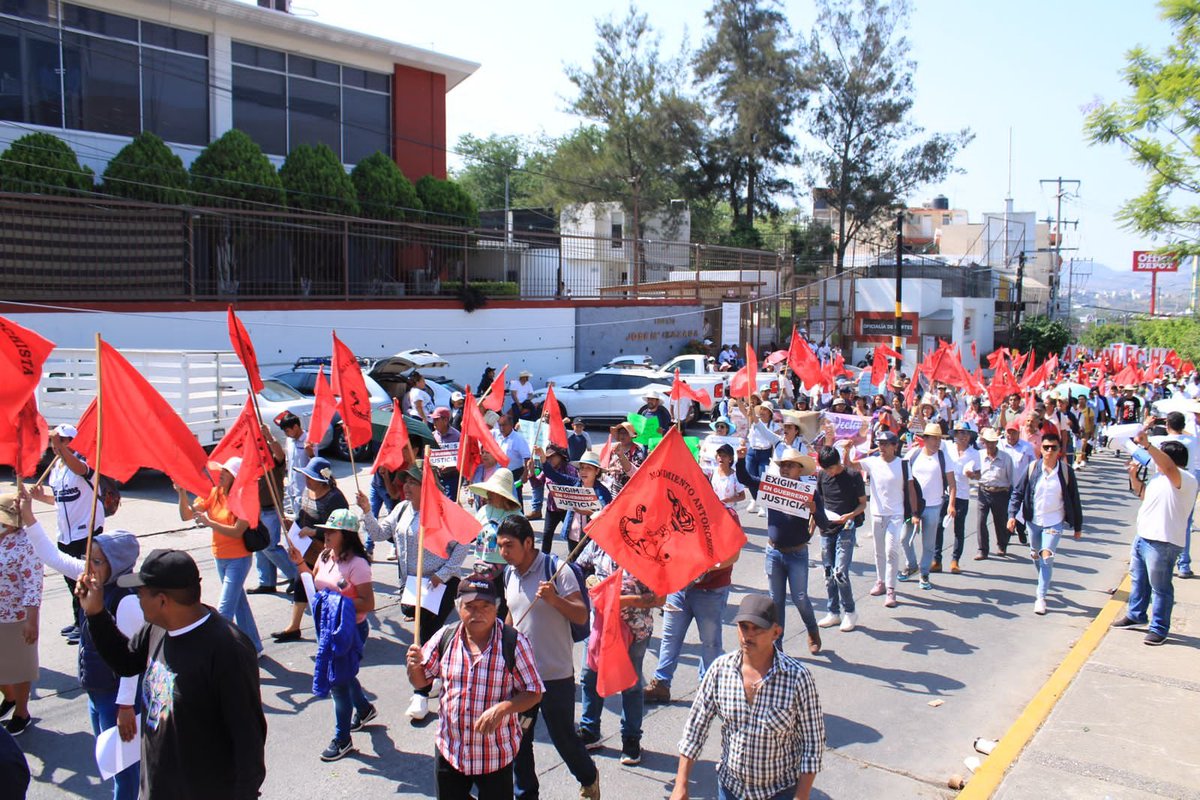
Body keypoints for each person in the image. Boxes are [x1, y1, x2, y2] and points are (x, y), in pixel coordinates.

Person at [77, 549, 267, 799]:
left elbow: (248, 740)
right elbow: (126, 663)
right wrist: (95, 613)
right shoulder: (157, 628)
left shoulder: (228, 650)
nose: (137, 599)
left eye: (141, 593)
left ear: (162, 601)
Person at [19, 491, 142, 797]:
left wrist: (126, 707)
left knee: (122, 768)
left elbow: (131, 664)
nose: (88, 566)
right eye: (88, 558)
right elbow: (52, 556)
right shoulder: (93, 578)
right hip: (96, 690)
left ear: (116, 565)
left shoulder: (127, 601)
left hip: (116, 698)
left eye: (97, 561)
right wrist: (29, 517)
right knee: (109, 759)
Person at [671, 594, 824, 800]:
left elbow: (813, 742)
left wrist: (802, 795)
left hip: (780, 791)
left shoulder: (797, 677)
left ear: (776, 632)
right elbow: (695, 728)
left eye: (757, 629)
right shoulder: (720, 670)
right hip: (730, 789)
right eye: (743, 627)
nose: (748, 636)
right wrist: (680, 784)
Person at [406, 576, 543, 799]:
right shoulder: (445, 637)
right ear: (458, 608)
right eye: (470, 606)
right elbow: (421, 682)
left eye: (485, 606)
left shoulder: (514, 643)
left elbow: (534, 692)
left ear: (496, 608)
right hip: (450, 751)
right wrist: (413, 666)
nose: (478, 613)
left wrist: (502, 709)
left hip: (494, 755)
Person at [496, 517, 599, 800]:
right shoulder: (508, 574)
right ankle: (526, 794)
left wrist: (554, 600)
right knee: (519, 740)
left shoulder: (557, 570)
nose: (503, 552)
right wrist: (501, 646)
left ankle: (588, 777)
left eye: (509, 545)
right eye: (500, 545)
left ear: (528, 542)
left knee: (563, 738)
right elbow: (512, 613)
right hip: (520, 676)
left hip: (555, 675)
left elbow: (581, 615)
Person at [359, 465, 467, 722]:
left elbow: (462, 545)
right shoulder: (401, 509)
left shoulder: (442, 511)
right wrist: (366, 511)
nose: (405, 487)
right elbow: (380, 534)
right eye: (404, 482)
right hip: (411, 585)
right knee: (429, 636)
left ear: (425, 486)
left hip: (439, 584)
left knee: (424, 637)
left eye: (412, 483)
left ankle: (421, 692)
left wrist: (443, 573)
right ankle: (440, 674)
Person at [289, 508, 377, 761]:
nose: (325, 535)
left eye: (331, 531)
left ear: (346, 535)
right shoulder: (325, 556)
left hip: (349, 630)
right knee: (345, 676)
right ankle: (364, 709)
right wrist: (300, 563)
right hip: (326, 627)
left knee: (337, 683)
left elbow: (368, 603)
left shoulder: (358, 565)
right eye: (325, 530)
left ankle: (342, 739)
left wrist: (337, 604)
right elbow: (315, 583)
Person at [644, 487, 739, 705]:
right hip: (679, 587)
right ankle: (661, 683)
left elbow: (733, 554)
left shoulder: (726, 515)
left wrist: (704, 568)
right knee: (670, 636)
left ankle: (708, 688)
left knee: (710, 642)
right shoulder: (678, 511)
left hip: (711, 590)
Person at [576, 534, 662, 766]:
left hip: (634, 630)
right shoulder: (599, 542)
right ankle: (590, 730)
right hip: (600, 626)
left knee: (631, 685)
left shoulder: (648, 549)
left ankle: (631, 740)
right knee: (590, 676)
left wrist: (623, 600)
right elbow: (581, 568)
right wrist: (590, 581)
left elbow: (660, 598)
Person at [1114, 431, 1198, 645]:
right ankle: (1136, 614)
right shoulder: (1159, 478)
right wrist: (1133, 477)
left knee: (1160, 588)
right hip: (1144, 537)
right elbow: (1144, 495)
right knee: (1139, 580)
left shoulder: (1185, 479)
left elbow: (1169, 467)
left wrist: (1148, 446)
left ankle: (1159, 628)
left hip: (1163, 542)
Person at [176, 458, 262, 655]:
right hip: (219, 556)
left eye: (226, 472)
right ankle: (255, 647)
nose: (220, 474)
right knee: (239, 603)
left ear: (235, 477)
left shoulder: (244, 498)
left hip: (239, 559)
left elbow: (237, 531)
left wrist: (209, 523)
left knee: (224, 610)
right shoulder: (215, 493)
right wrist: (181, 493)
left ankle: (216, 654)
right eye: (221, 470)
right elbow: (186, 515)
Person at [30, 424, 103, 645]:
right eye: (56, 440)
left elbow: (81, 470)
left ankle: (87, 625)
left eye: (62, 440)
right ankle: (78, 620)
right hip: (65, 534)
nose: (56, 444)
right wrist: (40, 498)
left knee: (84, 580)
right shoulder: (57, 468)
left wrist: (61, 449)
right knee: (71, 582)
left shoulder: (85, 462)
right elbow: (60, 500)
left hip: (85, 533)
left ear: (73, 442)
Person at [273, 456, 349, 642]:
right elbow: (303, 516)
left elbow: (342, 528)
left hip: (328, 553)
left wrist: (314, 531)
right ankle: (294, 626)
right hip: (307, 550)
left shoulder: (335, 498)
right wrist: (293, 525)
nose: (306, 480)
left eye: (310, 477)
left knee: (328, 590)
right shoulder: (308, 493)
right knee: (301, 583)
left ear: (321, 480)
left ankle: (337, 628)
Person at [1008, 432, 1083, 615]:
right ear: (1040, 449)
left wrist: (1078, 526)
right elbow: (1018, 492)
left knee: (1047, 557)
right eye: (1046, 447)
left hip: (1054, 522)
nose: (1049, 451)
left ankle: (1040, 597)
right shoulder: (1032, 468)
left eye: (1053, 448)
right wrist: (1012, 515)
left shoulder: (1065, 472)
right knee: (1036, 555)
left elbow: (1075, 499)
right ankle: (1043, 577)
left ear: (1059, 450)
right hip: (1034, 520)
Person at [762, 448, 822, 655]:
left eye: (790, 465)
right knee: (776, 601)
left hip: (796, 554)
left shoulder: (809, 492)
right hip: (774, 552)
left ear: (800, 470)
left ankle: (812, 630)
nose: (785, 469)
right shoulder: (772, 488)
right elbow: (746, 479)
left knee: (800, 597)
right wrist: (742, 460)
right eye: (783, 465)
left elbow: (824, 523)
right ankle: (777, 646)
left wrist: (814, 510)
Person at [0, 494, 42, 737]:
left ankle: (21, 712)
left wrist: (31, 620)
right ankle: (9, 697)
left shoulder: (26, 544)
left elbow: (33, 585)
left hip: (16, 617)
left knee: (18, 667)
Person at [813, 446, 866, 633]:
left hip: (846, 527)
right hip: (827, 527)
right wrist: (813, 523)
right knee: (828, 573)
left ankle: (850, 611)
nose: (829, 472)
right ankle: (833, 611)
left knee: (840, 572)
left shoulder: (853, 476)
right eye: (826, 469)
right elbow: (818, 501)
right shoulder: (822, 476)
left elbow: (862, 504)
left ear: (838, 463)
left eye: (832, 468)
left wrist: (849, 515)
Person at [853, 430, 906, 608]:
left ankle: (891, 589)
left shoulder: (902, 464)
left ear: (894, 446)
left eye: (885, 444)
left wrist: (914, 513)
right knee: (879, 551)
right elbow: (850, 465)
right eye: (880, 443)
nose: (881, 447)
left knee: (892, 550)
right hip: (877, 513)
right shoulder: (872, 462)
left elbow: (911, 488)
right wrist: (846, 449)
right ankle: (880, 581)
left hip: (896, 514)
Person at [900, 423, 955, 591]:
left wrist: (951, 504)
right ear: (925, 439)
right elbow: (903, 477)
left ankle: (924, 573)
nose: (937, 442)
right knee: (904, 538)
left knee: (929, 543)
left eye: (939, 439)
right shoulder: (913, 454)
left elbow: (952, 484)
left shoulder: (943, 457)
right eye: (934, 438)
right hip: (914, 506)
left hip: (934, 505)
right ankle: (911, 565)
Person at [248, 424, 297, 595]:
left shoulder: (274, 462)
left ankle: (296, 575)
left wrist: (269, 437)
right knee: (260, 548)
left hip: (270, 509)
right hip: (256, 510)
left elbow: (280, 454)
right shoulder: (253, 463)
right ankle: (267, 582)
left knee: (269, 547)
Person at [935, 422, 980, 574]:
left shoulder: (974, 454)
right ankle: (937, 559)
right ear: (954, 435)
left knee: (958, 529)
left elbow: (979, 474)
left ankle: (955, 560)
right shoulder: (947, 447)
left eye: (965, 433)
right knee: (939, 526)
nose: (963, 436)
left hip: (962, 494)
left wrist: (972, 475)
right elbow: (933, 437)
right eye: (960, 433)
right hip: (945, 493)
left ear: (970, 436)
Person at [548, 452, 612, 554]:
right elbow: (554, 475)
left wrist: (590, 513)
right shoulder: (575, 483)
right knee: (573, 560)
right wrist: (543, 460)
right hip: (573, 535)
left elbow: (608, 517)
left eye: (588, 468)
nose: (583, 471)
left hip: (592, 539)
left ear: (597, 471)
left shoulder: (603, 492)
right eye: (581, 468)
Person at [975, 428, 1017, 559]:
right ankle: (982, 549)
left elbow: (1011, 478)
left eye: (992, 442)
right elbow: (972, 471)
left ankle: (1002, 545)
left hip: (1000, 492)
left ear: (996, 443)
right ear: (984, 442)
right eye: (988, 442)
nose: (990, 445)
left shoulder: (1006, 458)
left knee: (1000, 521)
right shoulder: (979, 455)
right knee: (981, 521)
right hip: (983, 490)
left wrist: (1012, 496)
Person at [531, 444, 577, 553]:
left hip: (568, 509)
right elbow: (537, 484)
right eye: (547, 457)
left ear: (560, 456)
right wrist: (531, 473)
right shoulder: (547, 470)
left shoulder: (570, 469)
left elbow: (576, 487)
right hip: (552, 508)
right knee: (547, 534)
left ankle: (573, 558)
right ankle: (544, 558)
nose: (549, 459)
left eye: (552, 456)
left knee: (571, 536)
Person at [275, 411, 313, 517]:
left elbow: (316, 464)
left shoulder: (309, 440)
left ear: (295, 427)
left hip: (304, 491)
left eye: (287, 430)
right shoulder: (289, 440)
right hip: (292, 489)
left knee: (305, 521)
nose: (286, 434)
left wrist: (310, 453)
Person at [494, 412, 532, 508]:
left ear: (511, 425)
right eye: (500, 425)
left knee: (515, 500)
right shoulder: (497, 436)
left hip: (514, 474)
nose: (502, 428)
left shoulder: (518, 438)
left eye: (504, 425)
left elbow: (527, 457)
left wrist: (525, 474)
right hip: (500, 474)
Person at [430, 407, 462, 501]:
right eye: (433, 419)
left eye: (437, 419)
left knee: (450, 502)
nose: (434, 422)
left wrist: (450, 466)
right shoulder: (432, 436)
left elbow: (462, 458)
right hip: (436, 477)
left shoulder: (457, 436)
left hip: (452, 477)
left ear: (445, 420)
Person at [606, 421, 646, 495]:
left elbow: (636, 474)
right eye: (621, 433)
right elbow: (608, 466)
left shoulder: (637, 451)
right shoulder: (614, 448)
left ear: (631, 436)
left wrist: (622, 457)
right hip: (614, 488)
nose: (622, 436)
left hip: (630, 491)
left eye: (626, 433)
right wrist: (611, 469)